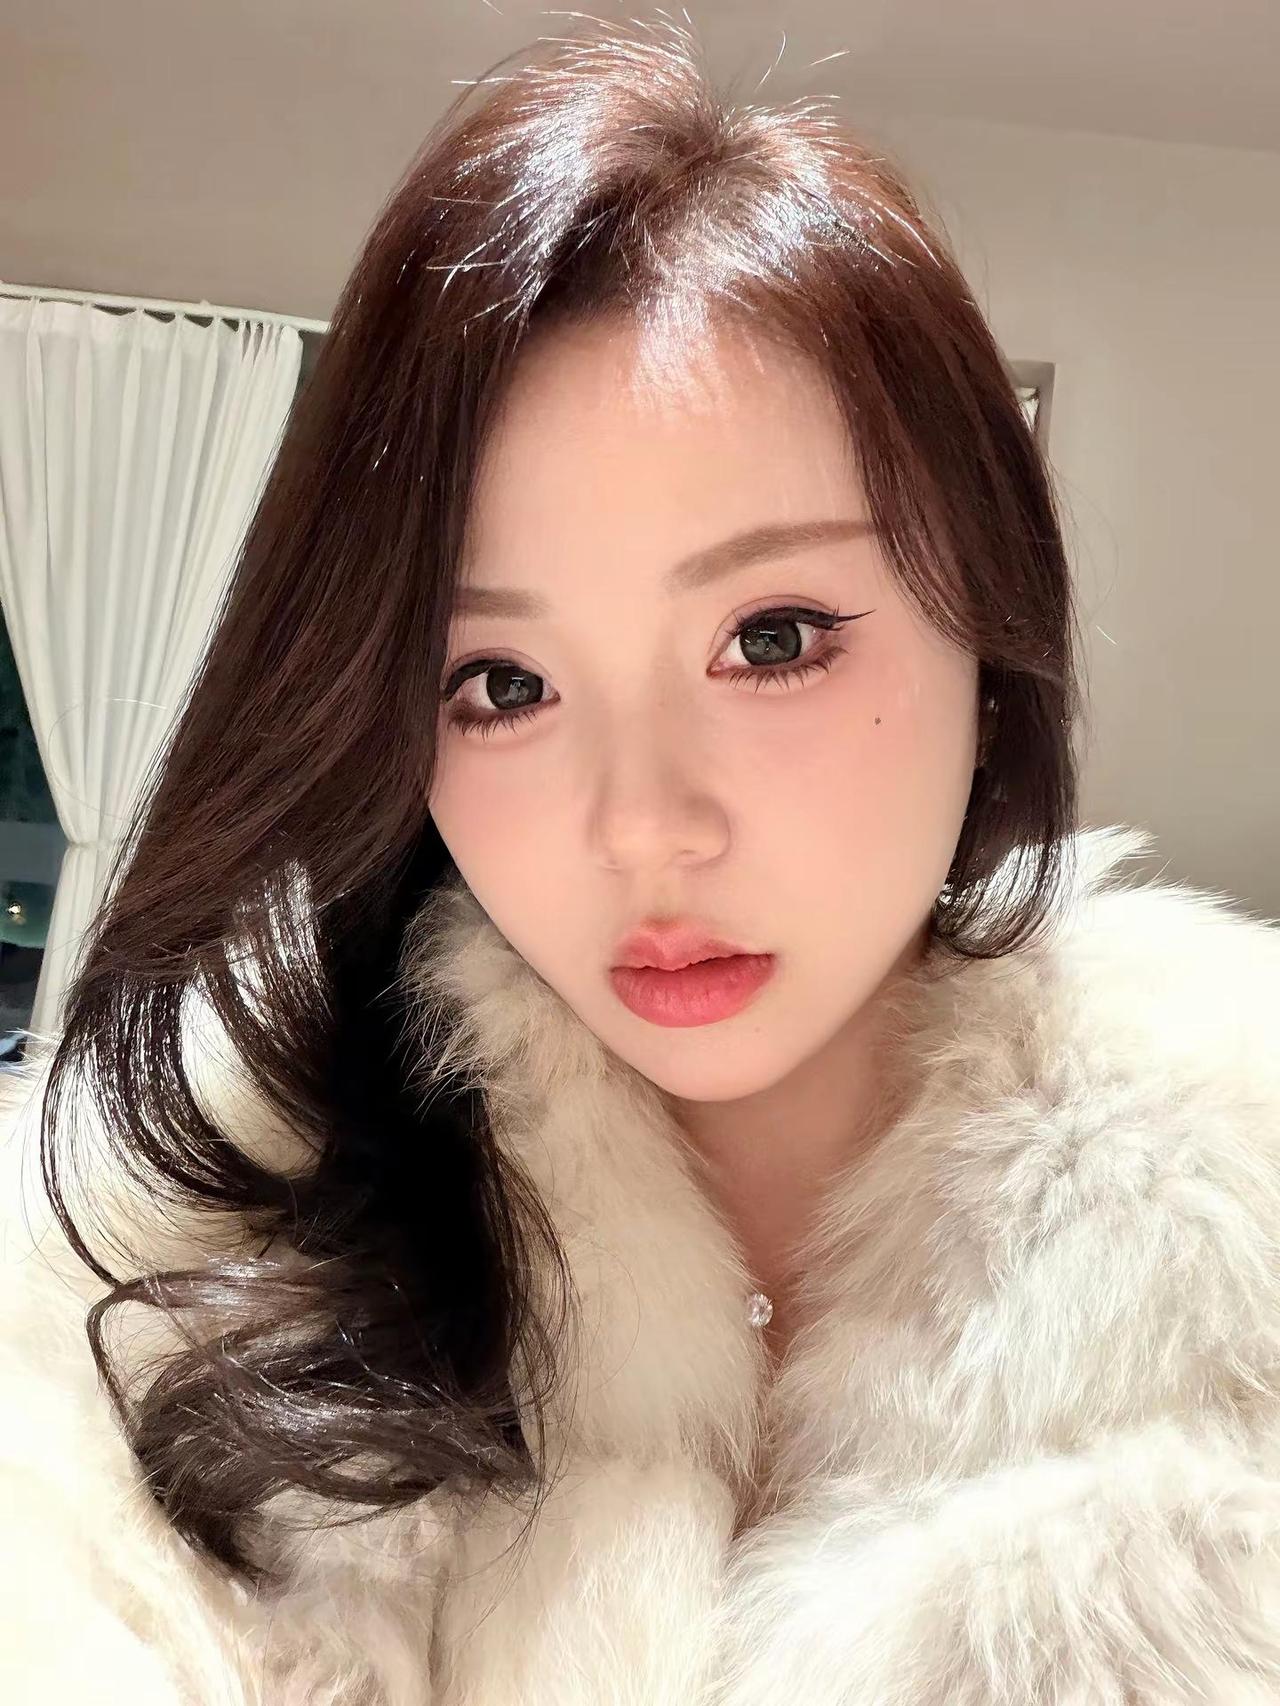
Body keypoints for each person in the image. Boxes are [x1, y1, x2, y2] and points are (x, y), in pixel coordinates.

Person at [3, 16, 1279, 1705]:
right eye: (502, 682)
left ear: (989, 640)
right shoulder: (176, 1270)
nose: (642, 825)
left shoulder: (1243, 1254)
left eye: (773, 637)